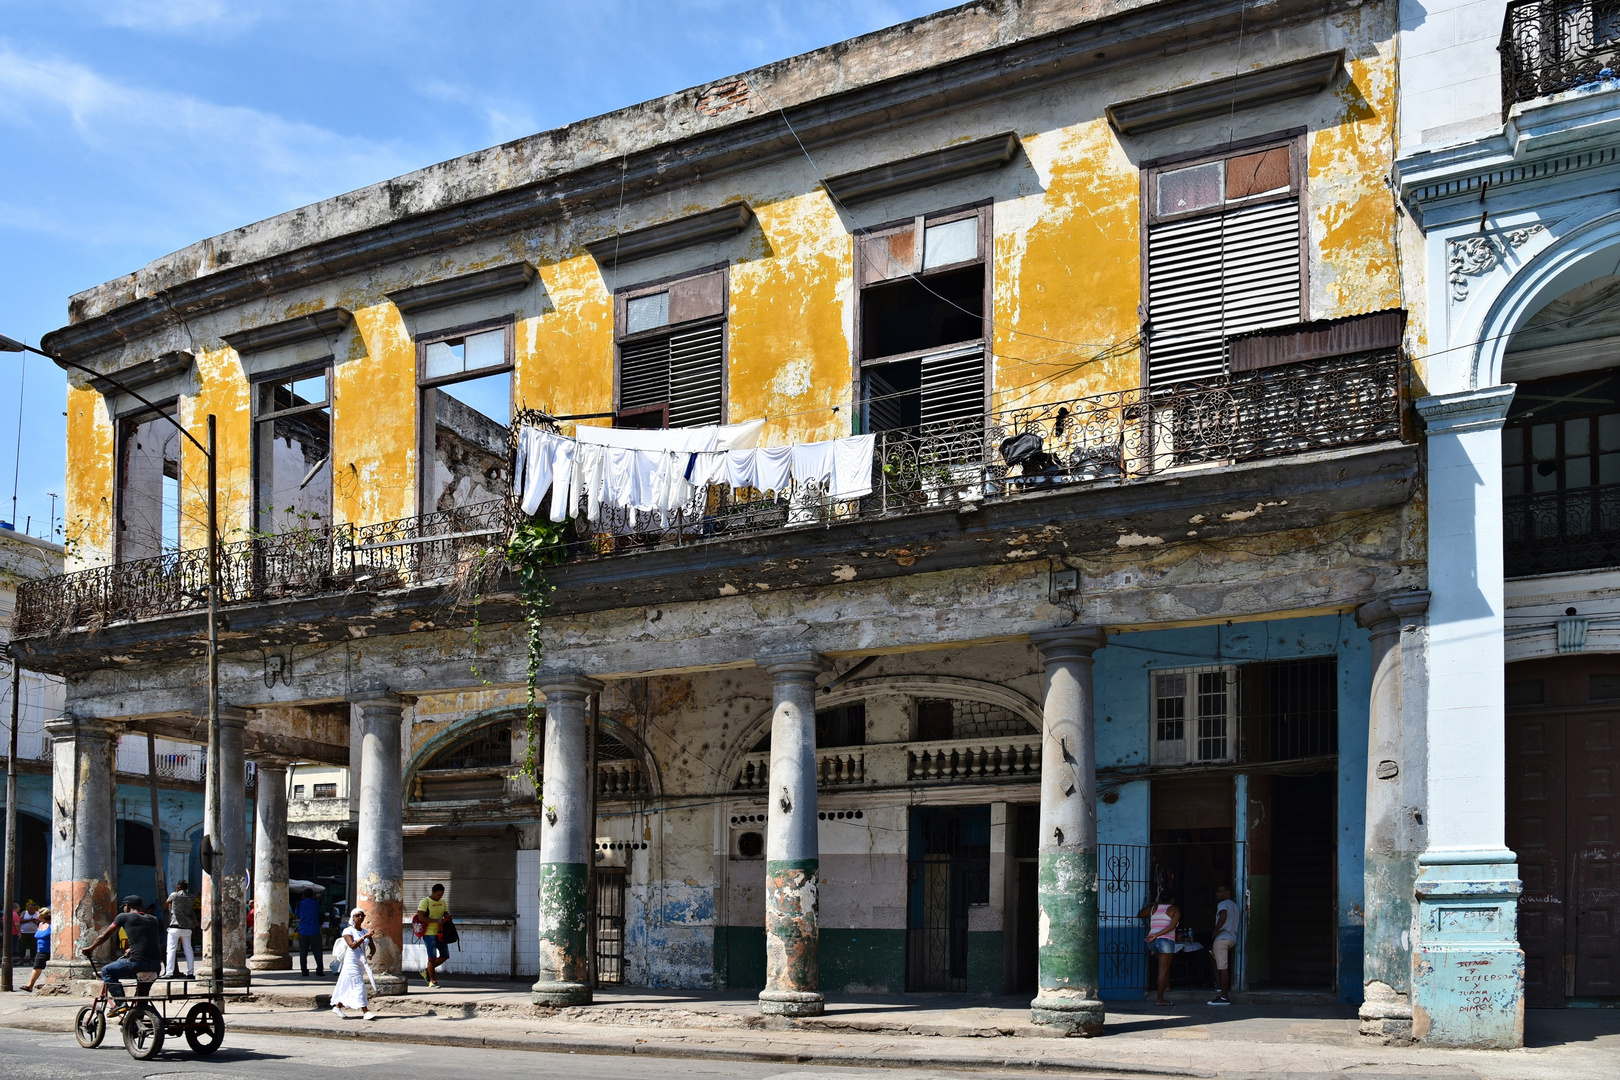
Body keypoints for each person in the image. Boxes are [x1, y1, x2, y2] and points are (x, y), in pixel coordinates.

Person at [82, 896, 163, 1007]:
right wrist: (132, 948)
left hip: (137, 962)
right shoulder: (153, 919)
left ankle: (120, 1003)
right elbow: (150, 939)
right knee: (141, 997)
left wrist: (91, 948)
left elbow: (105, 935)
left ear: (127, 906)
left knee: (106, 971)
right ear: (140, 906)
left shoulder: (123, 917)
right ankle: (137, 1016)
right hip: (155, 965)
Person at [331, 908, 378, 1020]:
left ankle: (337, 1007)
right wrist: (365, 937)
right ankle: (365, 1011)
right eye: (358, 915)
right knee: (359, 985)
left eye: (362, 915)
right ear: (353, 917)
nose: (360, 918)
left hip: (361, 962)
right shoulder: (348, 931)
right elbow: (352, 945)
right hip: (351, 962)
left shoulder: (364, 931)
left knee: (348, 986)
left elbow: (372, 947)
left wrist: (370, 955)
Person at [1139, 888, 1180, 1007]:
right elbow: (1172, 926)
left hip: (1152, 942)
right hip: (1165, 940)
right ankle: (1160, 999)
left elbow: (1140, 914)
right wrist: (1158, 935)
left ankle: (1167, 986)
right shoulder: (1174, 909)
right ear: (1172, 899)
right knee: (1163, 969)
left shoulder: (1153, 909)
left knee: (1162, 967)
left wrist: (1153, 904)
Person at [414, 883, 450, 987]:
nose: (440, 897)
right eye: (438, 894)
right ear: (433, 892)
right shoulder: (425, 902)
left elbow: (444, 912)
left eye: (442, 895)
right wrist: (437, 921)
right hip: (429, 933)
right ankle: (432, 981)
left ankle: (426, 971)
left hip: (441, 932)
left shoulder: (443, 902)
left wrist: (447, 915)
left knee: (445, 955)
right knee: (432, 957)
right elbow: (421, 917)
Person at [1209, 884, 1239, 1005]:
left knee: (1222, 967)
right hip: (1232, 938)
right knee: (1221, 964)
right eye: (1217, 891)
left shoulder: (1222, 904)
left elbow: (1223, 915)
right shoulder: (1235, 905)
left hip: (1222, 938)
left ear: (1228, 892)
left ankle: (1224, 996)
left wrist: (1215, 931)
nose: (1217, 894)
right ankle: (1222, 990)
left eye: (1220, 891)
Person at [163, 880, 198, 979]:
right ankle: (190, 972)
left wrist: (171, 905)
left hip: (175, 926)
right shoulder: (191, 897)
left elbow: (166, 904)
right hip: (187, 927)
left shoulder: (174, 895)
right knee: (188, 949)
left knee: (171, 950)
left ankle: (169, 973)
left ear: (178, 887)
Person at [295, 889, 323, 977]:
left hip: (303, 930)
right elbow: (320, 908)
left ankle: (304, 971)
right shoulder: (316, 903)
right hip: (315, 930)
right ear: (312, 895)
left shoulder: (300, 904)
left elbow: (296, 915)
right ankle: (319, 970)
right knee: (317, 951)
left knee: (303, 952)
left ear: (304, 895)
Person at [22, 908, 49, 992]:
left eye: (38, 914)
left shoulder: (52, 925)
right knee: (36, 967)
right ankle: (30, 986)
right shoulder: (40, 924)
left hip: (50, 950)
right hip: (41, 950)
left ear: (42, 915)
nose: (36, 916)